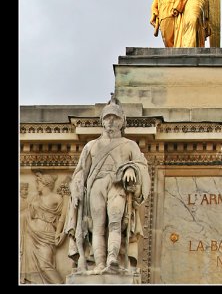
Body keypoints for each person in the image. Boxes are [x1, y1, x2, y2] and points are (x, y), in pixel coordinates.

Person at [65, 98, 150, 275]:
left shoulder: (130, 145)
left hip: (117, 186)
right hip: (96, 186)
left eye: (116, 118)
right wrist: (78, 185)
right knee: (97, 226)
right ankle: (99, 263)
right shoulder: (91, 146)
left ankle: (112, 258)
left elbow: (142, 165)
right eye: (107, 118)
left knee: (115, 222)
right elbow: (81, 171)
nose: (111, 121)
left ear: (122, 122)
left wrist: (131, 169)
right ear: (102, 121)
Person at [19, 173, 67, 284]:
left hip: (47, 235)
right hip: (31, 235)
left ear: (46, 183)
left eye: (39, 183)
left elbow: (65, 216)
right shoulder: (36, 197)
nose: (37, 186)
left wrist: (60, 233)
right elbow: (27, 213)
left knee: (45, 265)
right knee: (33, 268)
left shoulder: (57, 198)